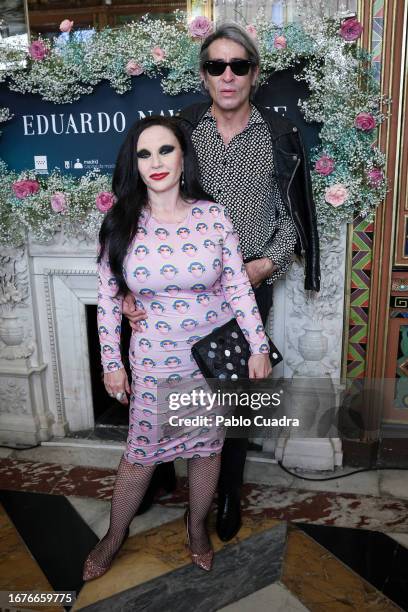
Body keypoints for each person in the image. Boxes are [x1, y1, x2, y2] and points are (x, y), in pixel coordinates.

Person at [123, 23, 321, 542]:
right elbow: (139, 197)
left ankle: (227, 489)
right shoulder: (184, 128)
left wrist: (264, 266)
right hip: (173, 284)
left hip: (244, 283)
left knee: (230, 390)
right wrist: (127, 283)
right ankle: (161, 473)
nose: (227, 75)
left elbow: (291, 216)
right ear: (204, 76)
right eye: (216, 66)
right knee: (166, 380)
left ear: (255, 73)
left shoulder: (278, 133)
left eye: (238, 65)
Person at [82, 115, 272, 580]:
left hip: (211, 361)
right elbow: (108, 299)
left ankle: (196, 531)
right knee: (139, 454)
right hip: (152, 361)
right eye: (144, 154)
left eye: (165, 150)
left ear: (183, 155)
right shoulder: (120, 223)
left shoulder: (213, 215)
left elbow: (238, 289)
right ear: (135, 164)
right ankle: (113, 535)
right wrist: (111, 363)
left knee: (206, 451)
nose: (156, 162)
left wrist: (258, 346)